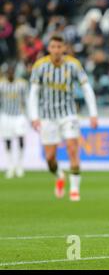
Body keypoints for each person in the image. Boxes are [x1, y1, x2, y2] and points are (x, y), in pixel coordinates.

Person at [29, 35, 98, 201]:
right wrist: (34, 116)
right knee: (50, 158)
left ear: (64, 48)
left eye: (59, 47)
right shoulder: (40, 66)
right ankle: (59, 175)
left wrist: (93, 114)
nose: (56, 50)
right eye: (53, 47)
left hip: (68, 114)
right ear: (49, 48)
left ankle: (74, 190)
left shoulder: (73, 65)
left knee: (73, 149)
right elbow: (34, 93)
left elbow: (87, 88)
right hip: (47, 117)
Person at [0, 62, 28, 179]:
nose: (10, 73)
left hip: (19, 115)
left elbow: (26, 99)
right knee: (7, 141)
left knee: (21, 138)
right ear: (6, 73)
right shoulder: (1, 84)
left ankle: (20, 165)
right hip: (6, 115)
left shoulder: (22, 84)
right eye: (8, 72)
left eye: (12, 71)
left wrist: (29, 115)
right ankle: (10, 165)